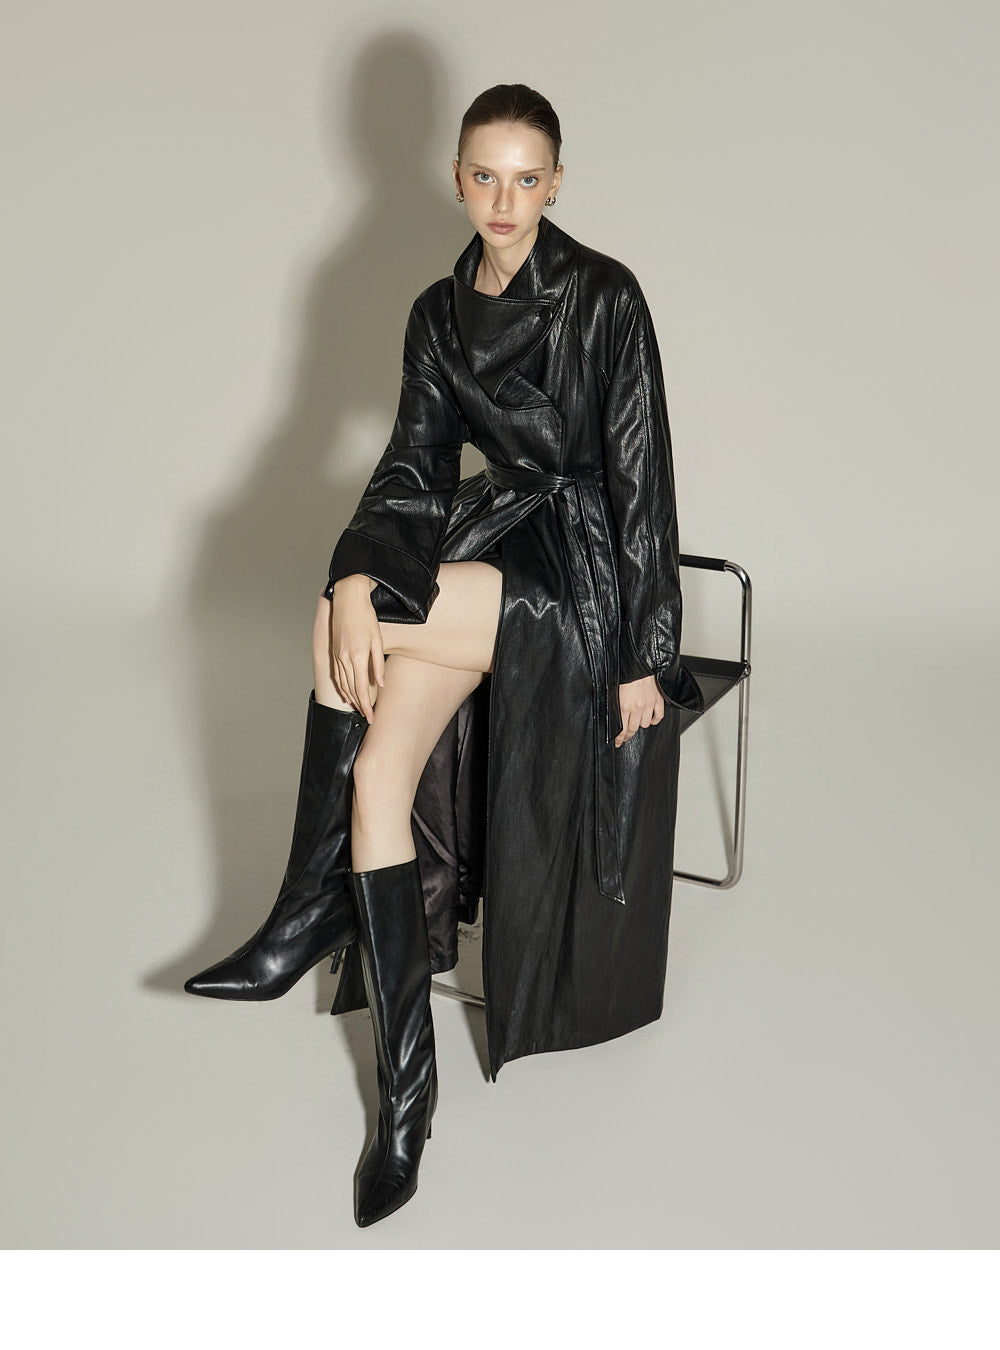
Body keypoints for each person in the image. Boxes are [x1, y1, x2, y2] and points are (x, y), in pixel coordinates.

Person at [184, 82, 704, 1228]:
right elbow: (413, 465)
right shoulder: (435, 311)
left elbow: (643, 482)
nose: (503, 200)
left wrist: (644, 654)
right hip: (487, 548)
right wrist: (356, 567)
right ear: (456, 177)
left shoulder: (605, 296)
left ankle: (303, 912)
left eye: (526, 178)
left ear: (555, 183)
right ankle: (405, 1106)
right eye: (483, 176)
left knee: (343, 620)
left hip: (576, 582)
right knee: (377, 768)